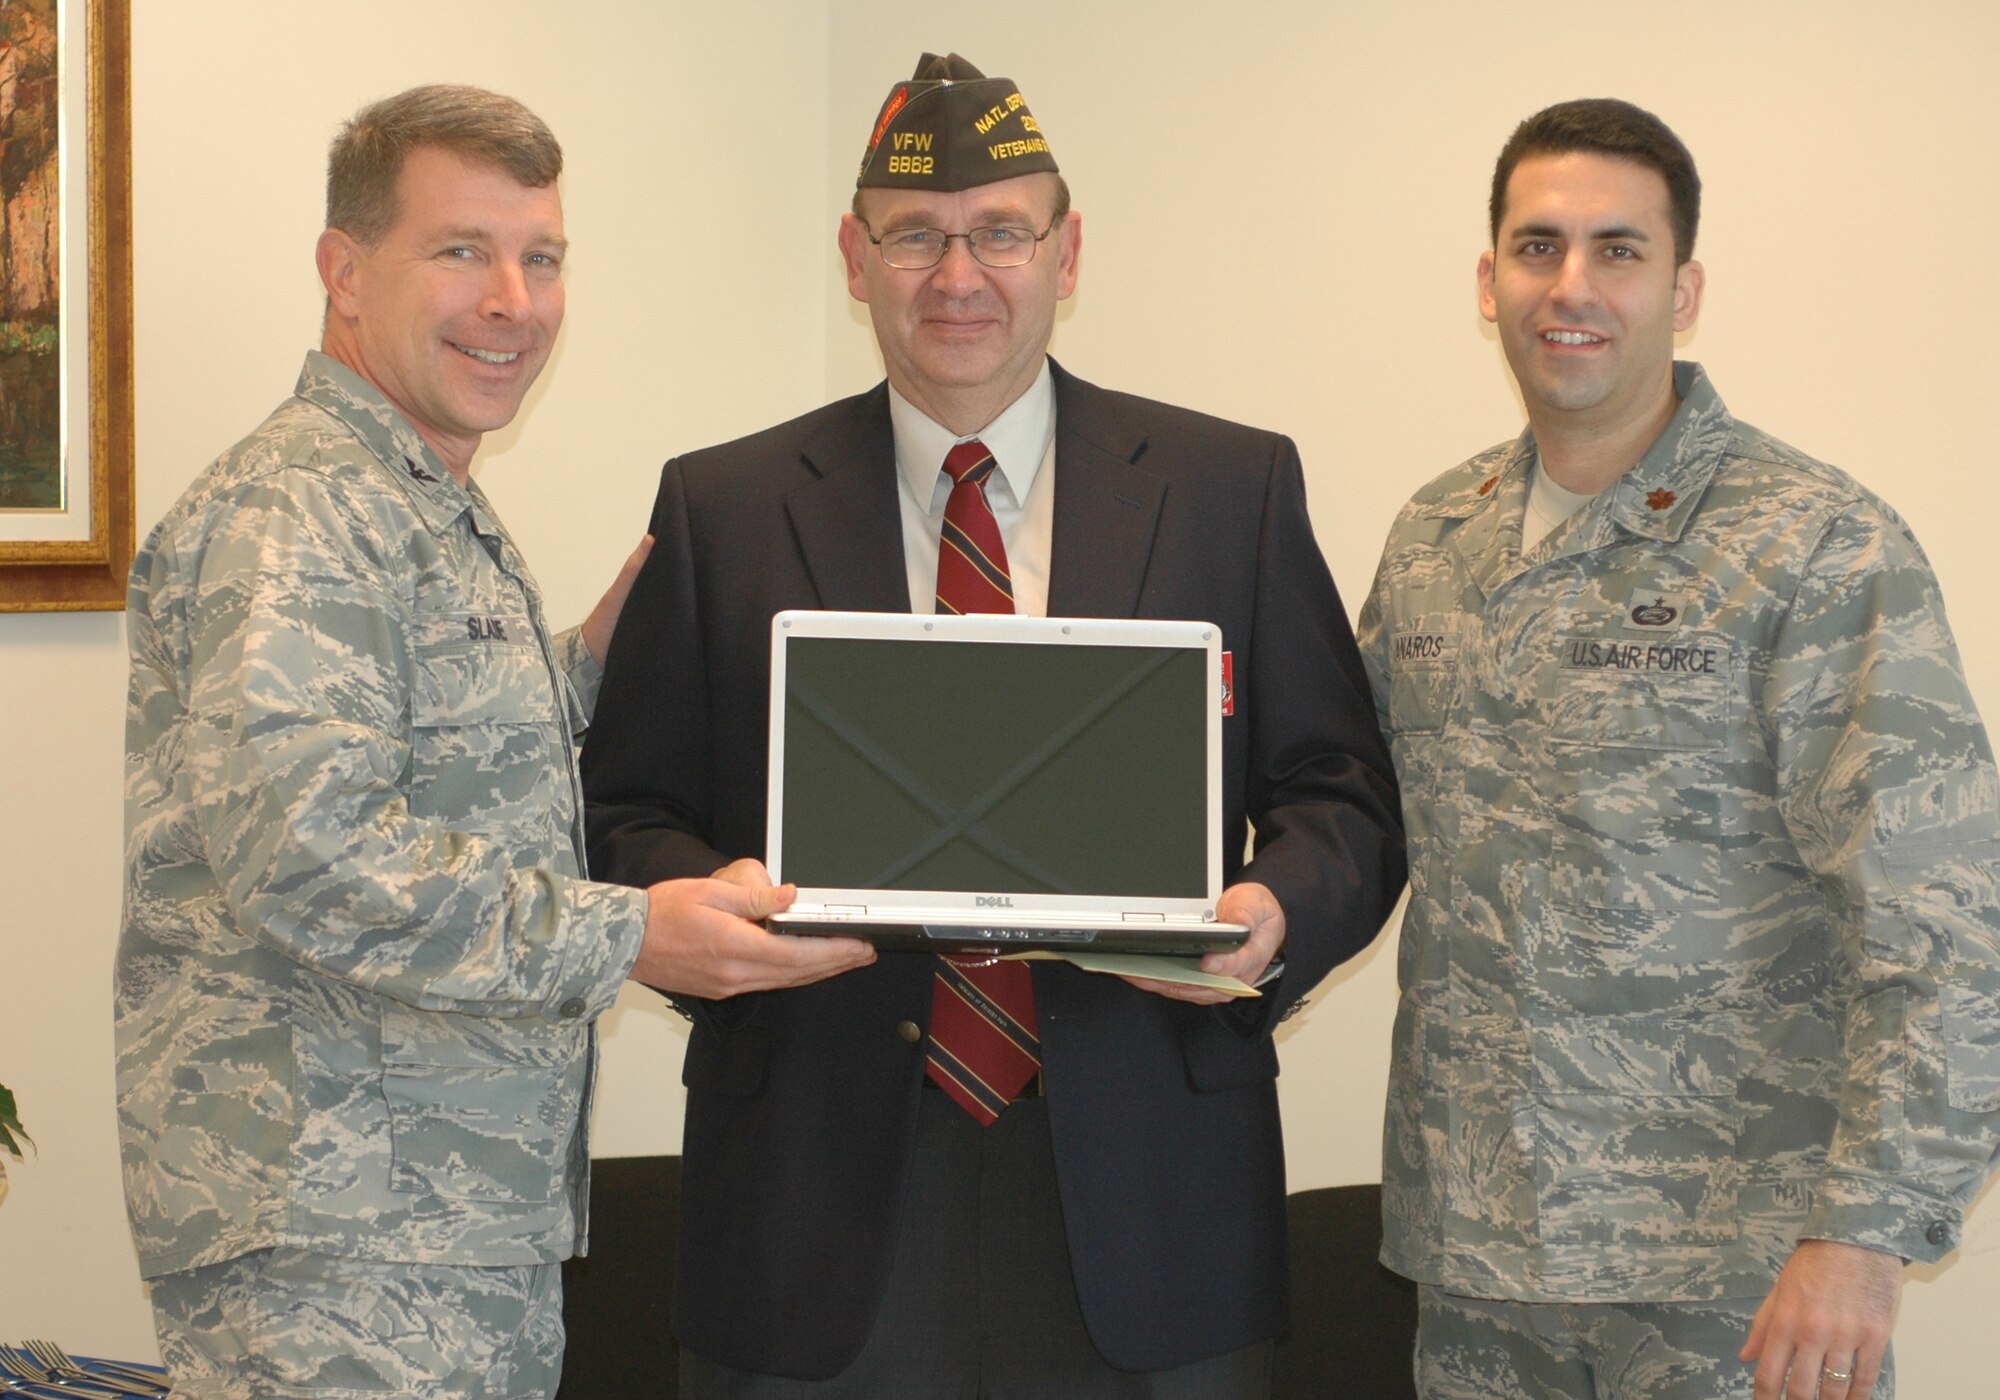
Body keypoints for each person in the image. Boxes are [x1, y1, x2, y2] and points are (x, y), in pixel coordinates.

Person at [583, 52, 1405, 1398]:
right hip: (811, 1200)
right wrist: (696, 905)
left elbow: (1340, 790)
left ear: (1066, 252)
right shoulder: (724, 506)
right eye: (915, 236)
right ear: (855, 258)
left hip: (1151, 1194)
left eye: (1000, 234)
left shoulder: (1225, 487)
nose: (957, 277)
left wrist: (1273, 912)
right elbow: (623, 809)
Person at [115, 84, 858, 1399]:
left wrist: (595, 660)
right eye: (461, 251)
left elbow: (438, 763)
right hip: (335, 1243)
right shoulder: (298, 510)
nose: (512, 299)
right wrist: (637, 930)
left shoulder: (413, 499)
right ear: (346, 273)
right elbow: (314, 858)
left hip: (438, 1227)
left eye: (543, 257)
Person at [1357, 97, 2000, 1400]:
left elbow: (1942, 924)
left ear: (1683, 286)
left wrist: (1865, 1235)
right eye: (1537, 248)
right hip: (1478, 1269)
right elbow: (1347, 819)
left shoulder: (1814, 544)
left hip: (1742, 1288)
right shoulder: (1434, 541)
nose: (1572, 286)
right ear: (1488, 282)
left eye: (1619, 249)